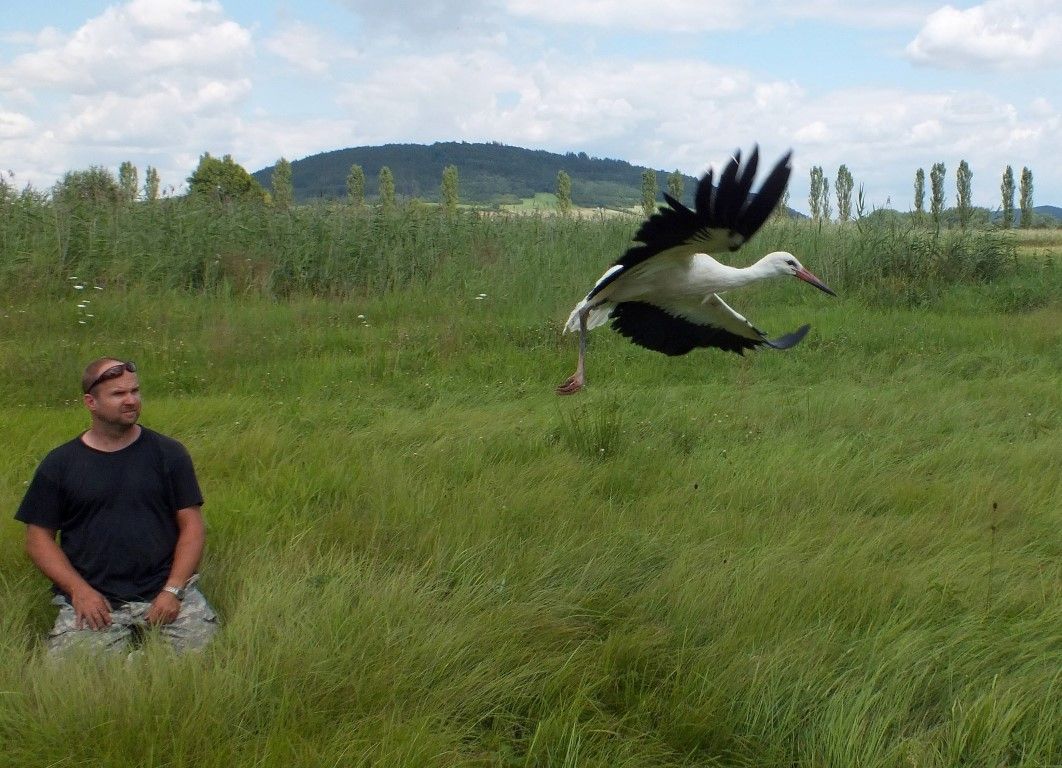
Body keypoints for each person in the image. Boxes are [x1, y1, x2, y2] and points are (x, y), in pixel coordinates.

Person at [15, 357, 218, 655]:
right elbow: (37, 539)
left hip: (163, 591)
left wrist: (173, 589)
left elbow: (192, 527)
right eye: (118, 394)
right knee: (76, 674)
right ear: (91, 402)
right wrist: (79, 591)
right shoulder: (60, 464)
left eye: (134, 391)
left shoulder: (169, 454)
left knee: (208, 660)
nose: (131, 400)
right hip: (96, 600)